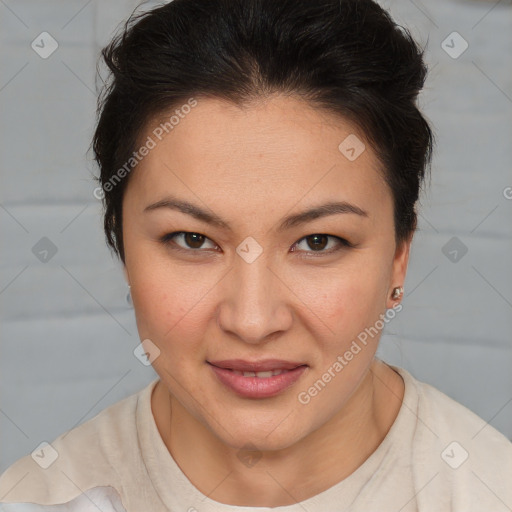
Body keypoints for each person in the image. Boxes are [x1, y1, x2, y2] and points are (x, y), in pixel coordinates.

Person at [1, 0, 511, 510]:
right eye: (192, 240)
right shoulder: (35, 496)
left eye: (318, 242)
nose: (252, 321)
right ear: (122, 244)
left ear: (400, 253)